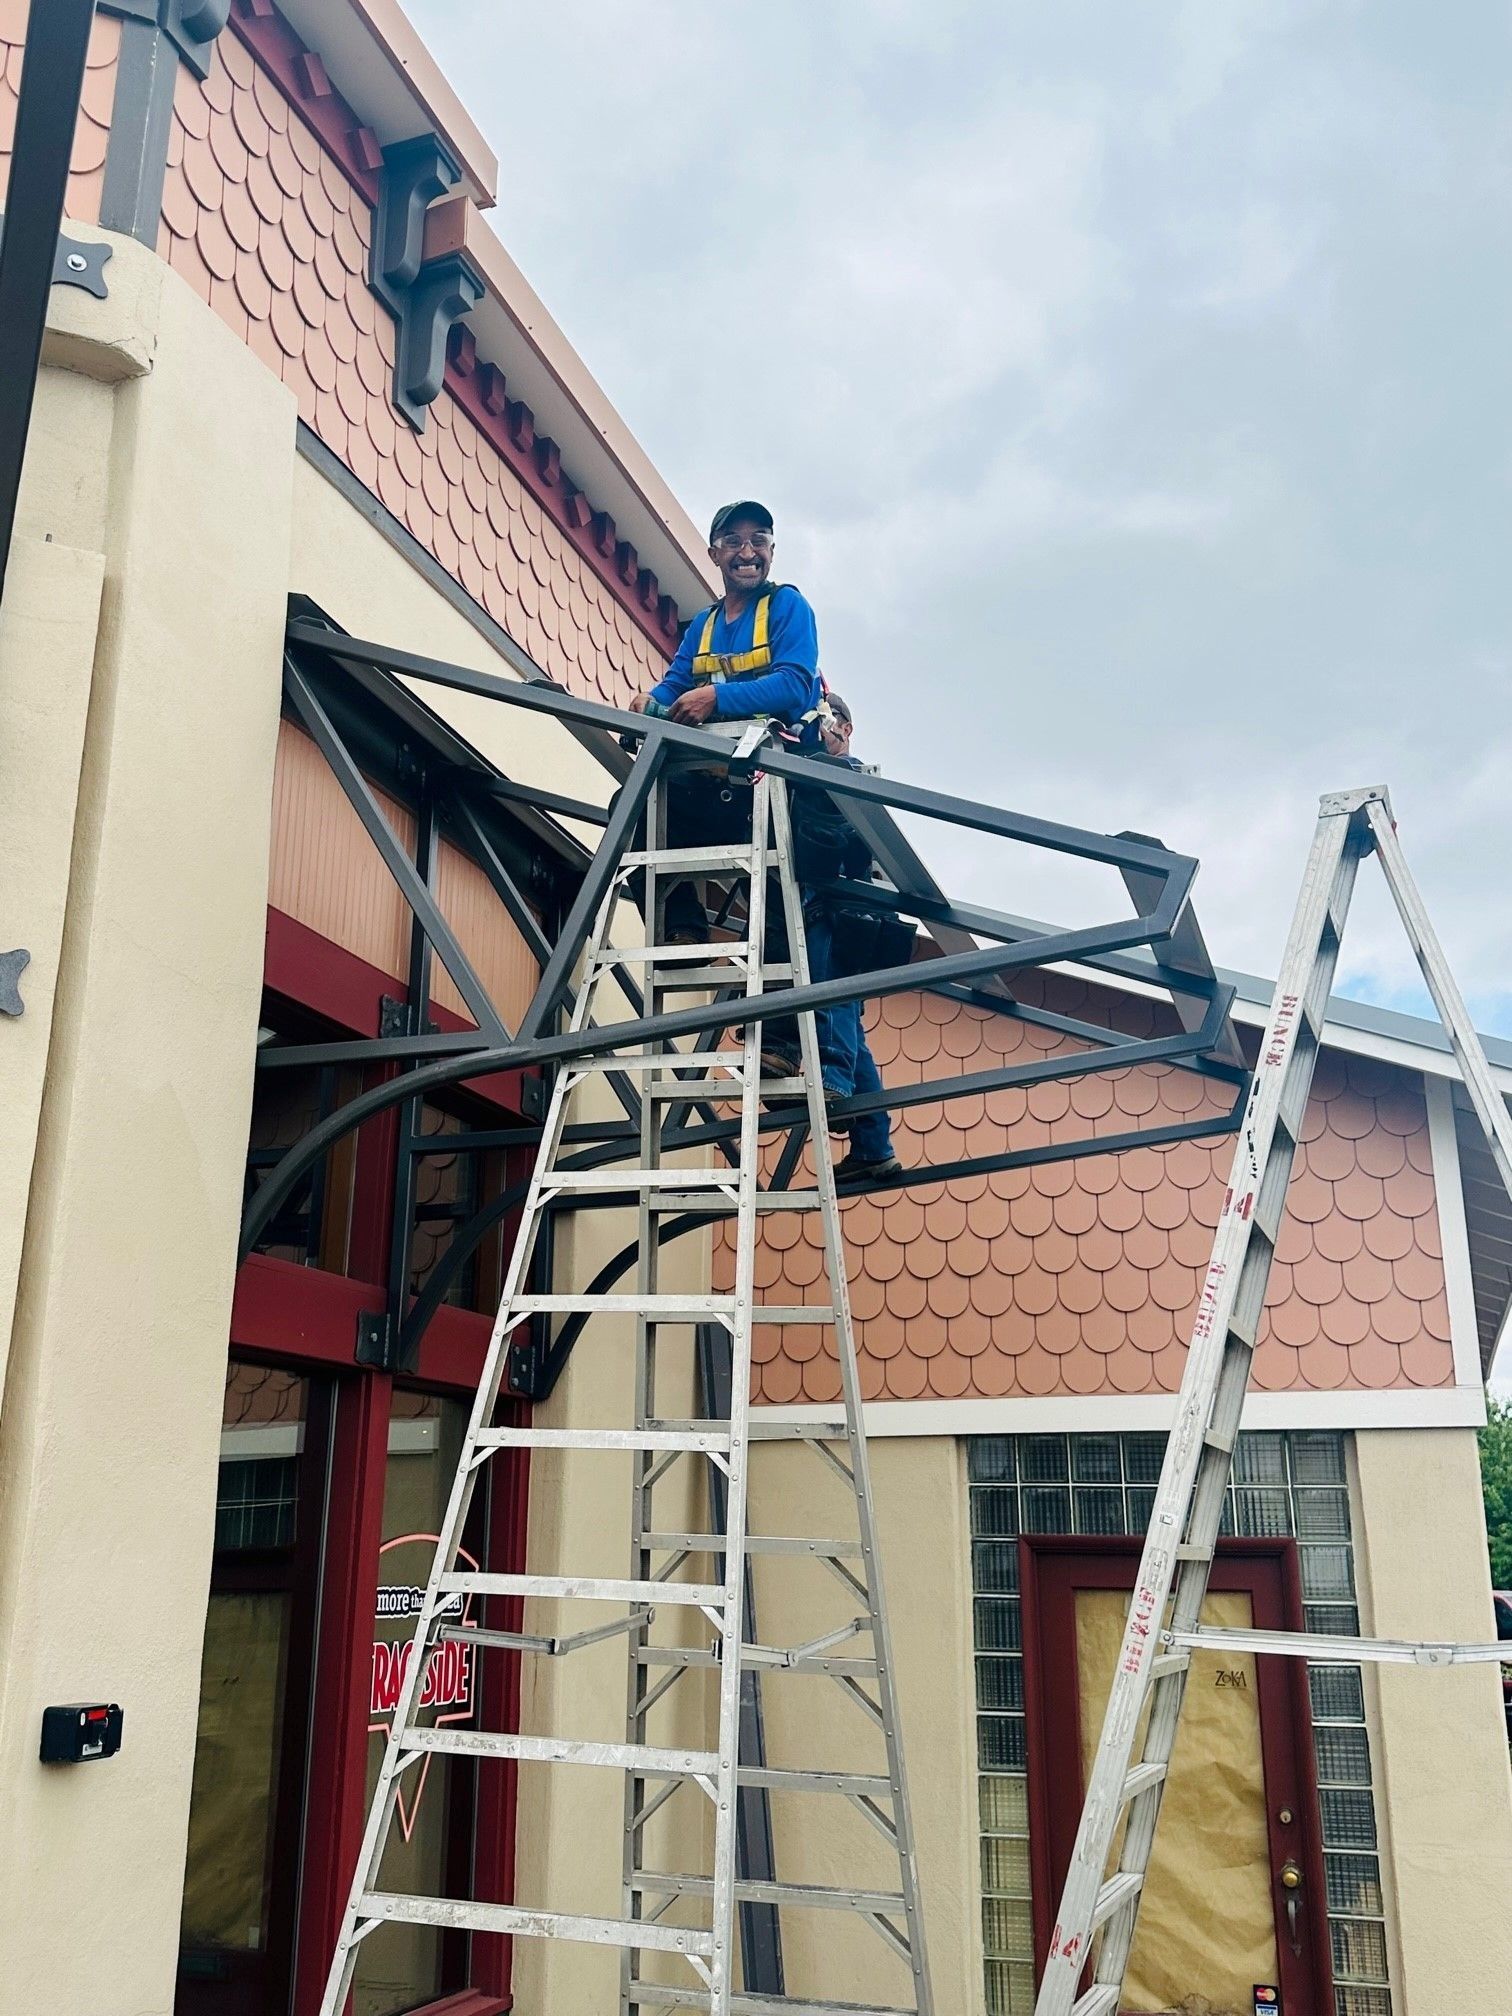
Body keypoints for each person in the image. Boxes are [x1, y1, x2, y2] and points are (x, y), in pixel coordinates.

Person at [628, 499, 827, 940]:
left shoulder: (786, 606)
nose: (747, 552)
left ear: (772, 550)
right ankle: (681, 930)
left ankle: (775, 964)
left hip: (776, 793)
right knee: (628, 813)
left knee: (782, 933)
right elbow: (676, 683)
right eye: (733, 542)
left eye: (759, 540)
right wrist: (648, 701)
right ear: (714, 554)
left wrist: (715, 697)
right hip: (717, 789)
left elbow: (794, 685)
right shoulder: (705, 624)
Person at [770, 693, 903, 1184]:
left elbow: (830, 840)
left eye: (827, 723)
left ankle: (834, 1083)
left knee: (834, 1003)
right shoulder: (809, 774)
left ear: (844, 729)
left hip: (841, 914)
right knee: (848, 1019)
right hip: (832, 912)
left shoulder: (847, 781)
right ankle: (873, 1145)